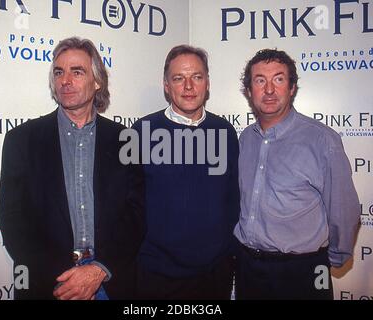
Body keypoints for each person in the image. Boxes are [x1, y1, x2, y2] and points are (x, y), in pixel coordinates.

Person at [0, 37, 145, 300]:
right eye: (59, 72)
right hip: (50, 284)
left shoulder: (125, 139)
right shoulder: (22, 140)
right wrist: (67, 278)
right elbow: (13, 219)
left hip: (110, 281)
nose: (65, 80)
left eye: (77, 72)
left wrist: (99, 269)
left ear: (97, 81)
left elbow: (136, 214)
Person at [234, 49, 360, 300]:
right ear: (249, 91)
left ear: (292, 88)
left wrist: (331, 259)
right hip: (248, 268)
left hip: (304, 271)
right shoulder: (245, 138)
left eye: (279, 79)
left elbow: (344, 210)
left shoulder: (323, 140)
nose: (269, 90)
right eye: (260, 80)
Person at [131, 45, 239, 299]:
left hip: (216, 276)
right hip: (157, 277)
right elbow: (128, 208)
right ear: (167, 86)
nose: (188, 86)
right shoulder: (141, 132)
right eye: (179, 78)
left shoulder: (225, 132)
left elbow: (233, 199)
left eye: (197, 77)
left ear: (207, 83)